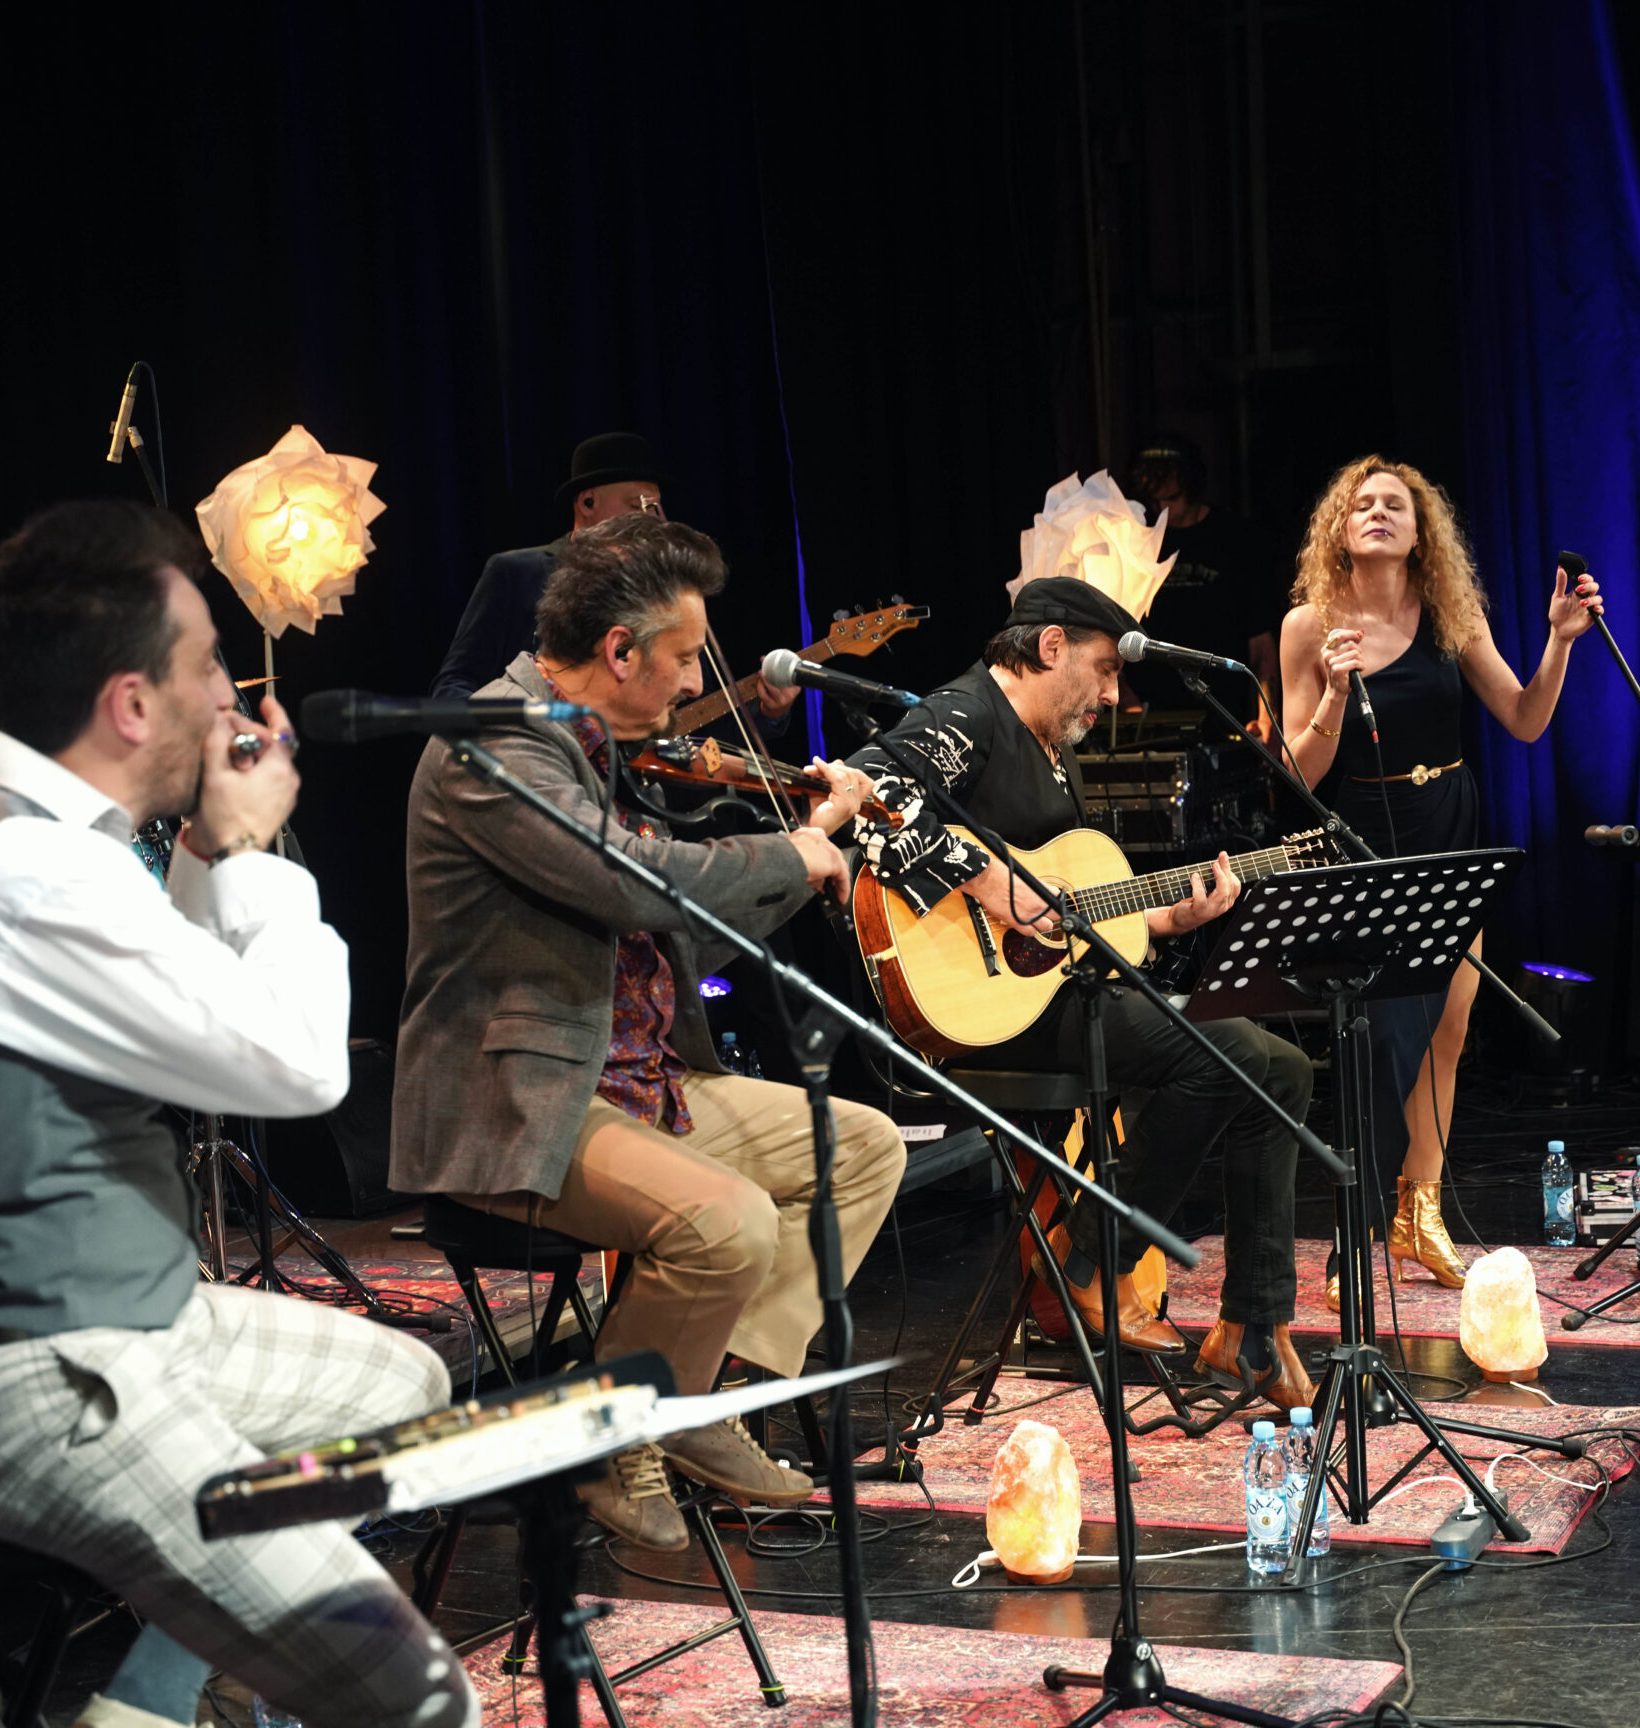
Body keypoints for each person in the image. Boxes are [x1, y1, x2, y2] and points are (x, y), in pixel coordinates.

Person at [0, 500, 471, 1728]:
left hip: (89, 1325)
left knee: (399, 1388)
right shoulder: (20, 869)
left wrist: (211, 857)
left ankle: (150, 1706)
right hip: (35, 1381)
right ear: (129, 704)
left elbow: (177, 1002)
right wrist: (259, 855)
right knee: (421, 1698)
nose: (230, 700)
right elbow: (293, 1068)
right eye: (208, 668)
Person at [392, 512, 907, 1552]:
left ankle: (689, 1397)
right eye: (683, 658)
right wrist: (788, 854)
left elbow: (686, 937)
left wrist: (806, 840)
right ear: (619, 650)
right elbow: (633, 884)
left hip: (632, 1077)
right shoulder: (494, 745)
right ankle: (613, 1437)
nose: (695, 683)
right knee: (729, 1223)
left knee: (861, 1148)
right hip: (524, 1098)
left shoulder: (599, 748)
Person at [842, 575, 1317, 1408]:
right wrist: (989, 882)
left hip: (1050, 991)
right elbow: (864, 792)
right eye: (1104, 670)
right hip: (977, 1005)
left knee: (1284, 1068)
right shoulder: (968, 712)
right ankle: (1089, 1259)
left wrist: (1167, 918)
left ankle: (1251, 1328)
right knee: (1231, 1055)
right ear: (1050, 646)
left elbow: (1070, 907)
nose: (1111, 695)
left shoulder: (1051, 750)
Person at [1279, 456, 1599, 1288]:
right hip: (1367, 838)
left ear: (1422, 532)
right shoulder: (1310, 626)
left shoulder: (1452, 615)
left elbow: (1524, 719)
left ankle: (1419, 1213)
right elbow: (1297, 774)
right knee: (1385, 1042)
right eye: (1362, 504)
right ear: (1339, 529)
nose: (1378, 512)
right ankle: (1354, 1230)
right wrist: (1335, 695)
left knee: (1448, 1029)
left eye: (1396, 504)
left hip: (1450, 825)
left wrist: (1559, 643)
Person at [430, 431, 797, 736]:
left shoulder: (659, 591)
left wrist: (768, 712)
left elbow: (691, 710)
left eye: (656, 508)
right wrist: (527, 736)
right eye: (639, 506)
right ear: (588, 502)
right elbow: (453, 688)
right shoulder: (517, 572)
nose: (654, 522)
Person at [1125, 433, 1289, 721]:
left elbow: (1261, 641)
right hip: (1148, 714)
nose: (1161, 508)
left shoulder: (1236, 538)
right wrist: (1126, 699)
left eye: (1171, 498)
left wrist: (1267, 715)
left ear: (1191, 487)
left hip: (1223, 709)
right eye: (1154, 499)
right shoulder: (1134, 539)